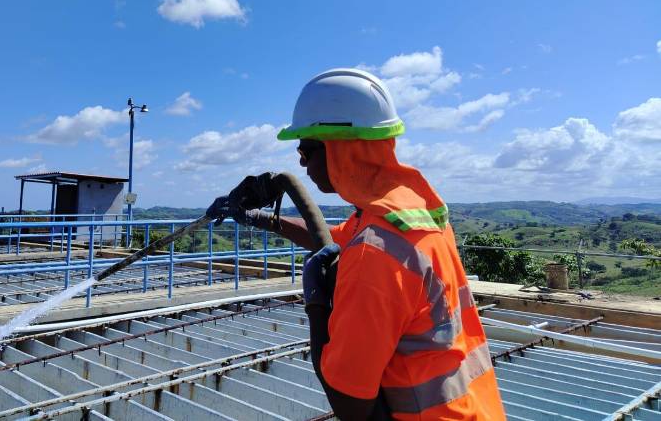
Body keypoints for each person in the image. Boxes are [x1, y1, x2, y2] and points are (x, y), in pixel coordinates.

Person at [208, 68, 506, 420]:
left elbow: (350, 402)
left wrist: (316, 304)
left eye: (306, 150)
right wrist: (260, 219)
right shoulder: (413, 211)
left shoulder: (374, 253)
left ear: (340, 148)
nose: (301, 163)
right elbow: (332, 237)